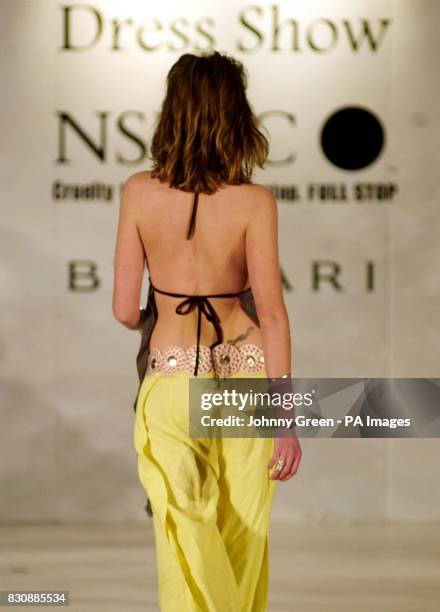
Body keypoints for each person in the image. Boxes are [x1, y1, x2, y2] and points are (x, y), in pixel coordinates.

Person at [112, 50, 302, 612]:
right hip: (245, 382)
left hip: (172, 381)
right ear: (235, 115)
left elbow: (125, 309)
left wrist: (163, 320)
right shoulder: (255, 201)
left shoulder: (138, 192)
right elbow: (272, 314)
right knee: (244, 536)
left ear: (173, 113)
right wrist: (285, 420)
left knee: (185, 530)